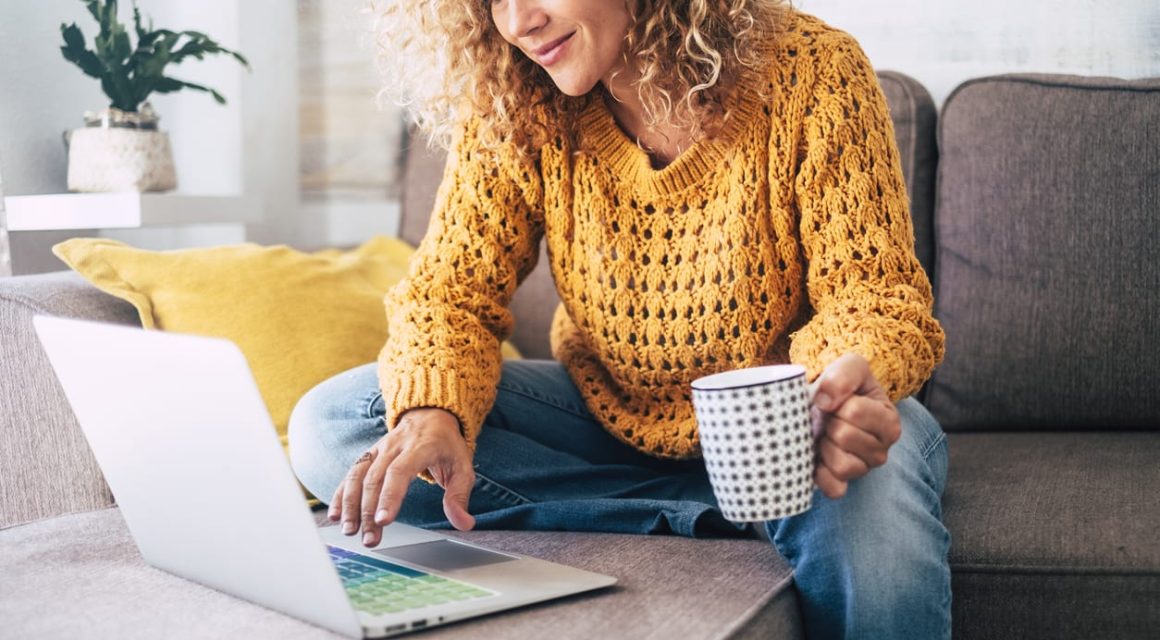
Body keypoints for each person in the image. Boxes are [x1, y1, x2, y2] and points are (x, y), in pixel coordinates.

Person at [289, 0, 951, 637]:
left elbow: (874, 296)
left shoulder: (814, 71)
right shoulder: (519, 99)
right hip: (609, 421)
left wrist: (832, 393)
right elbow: (449, 294)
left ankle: (748, 503)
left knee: (870, 485)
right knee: (336, 424)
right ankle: (721, 515)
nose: (519, 21)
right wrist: (432, 412)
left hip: (789, 429)